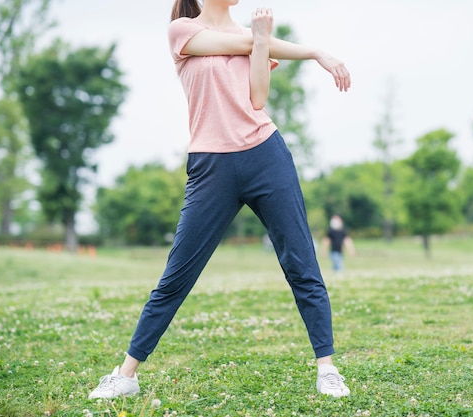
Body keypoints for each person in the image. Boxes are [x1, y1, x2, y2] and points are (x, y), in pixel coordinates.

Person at [89, 0, 352, 400]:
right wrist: (266, 41)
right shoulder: (182, 31)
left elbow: (258, 98)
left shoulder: (250, 38)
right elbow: (234, 42)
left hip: (266, 155)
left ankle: (327, 369)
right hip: (212, 166)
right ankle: (126, 375)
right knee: (177, 275)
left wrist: (275, 44)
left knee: (301, 262)